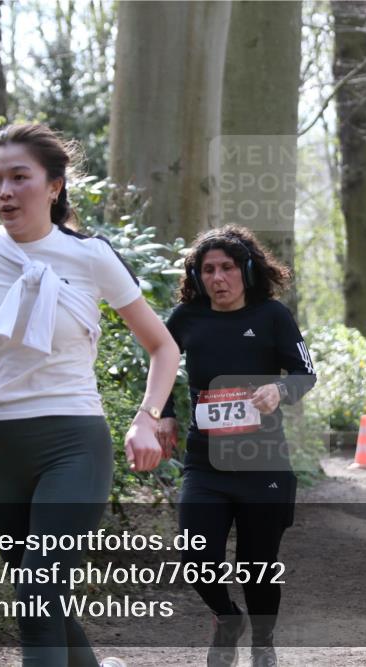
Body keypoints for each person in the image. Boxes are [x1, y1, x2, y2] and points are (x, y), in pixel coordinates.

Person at [0, 123, 180, 667]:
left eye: (19, 178)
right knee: (46, 600)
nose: (4, 192)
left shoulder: (91, 257)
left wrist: (147, 417)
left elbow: (164, 347)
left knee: (37, 600)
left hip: (73, 442)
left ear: (55, 185)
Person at [155, 225, 316, 667]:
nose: (217, 278)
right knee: (194, 557)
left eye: (226, 267)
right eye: (207, 269)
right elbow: (161, 365)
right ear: (197, 275)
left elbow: (306, 374)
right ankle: (227, 618)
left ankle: (263, 643)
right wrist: (163, 412)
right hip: (205, 462)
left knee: (257, 562)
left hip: (263, 461)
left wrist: (279, 392)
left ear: (246, 269)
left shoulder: (272, 316)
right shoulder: (186, 318)